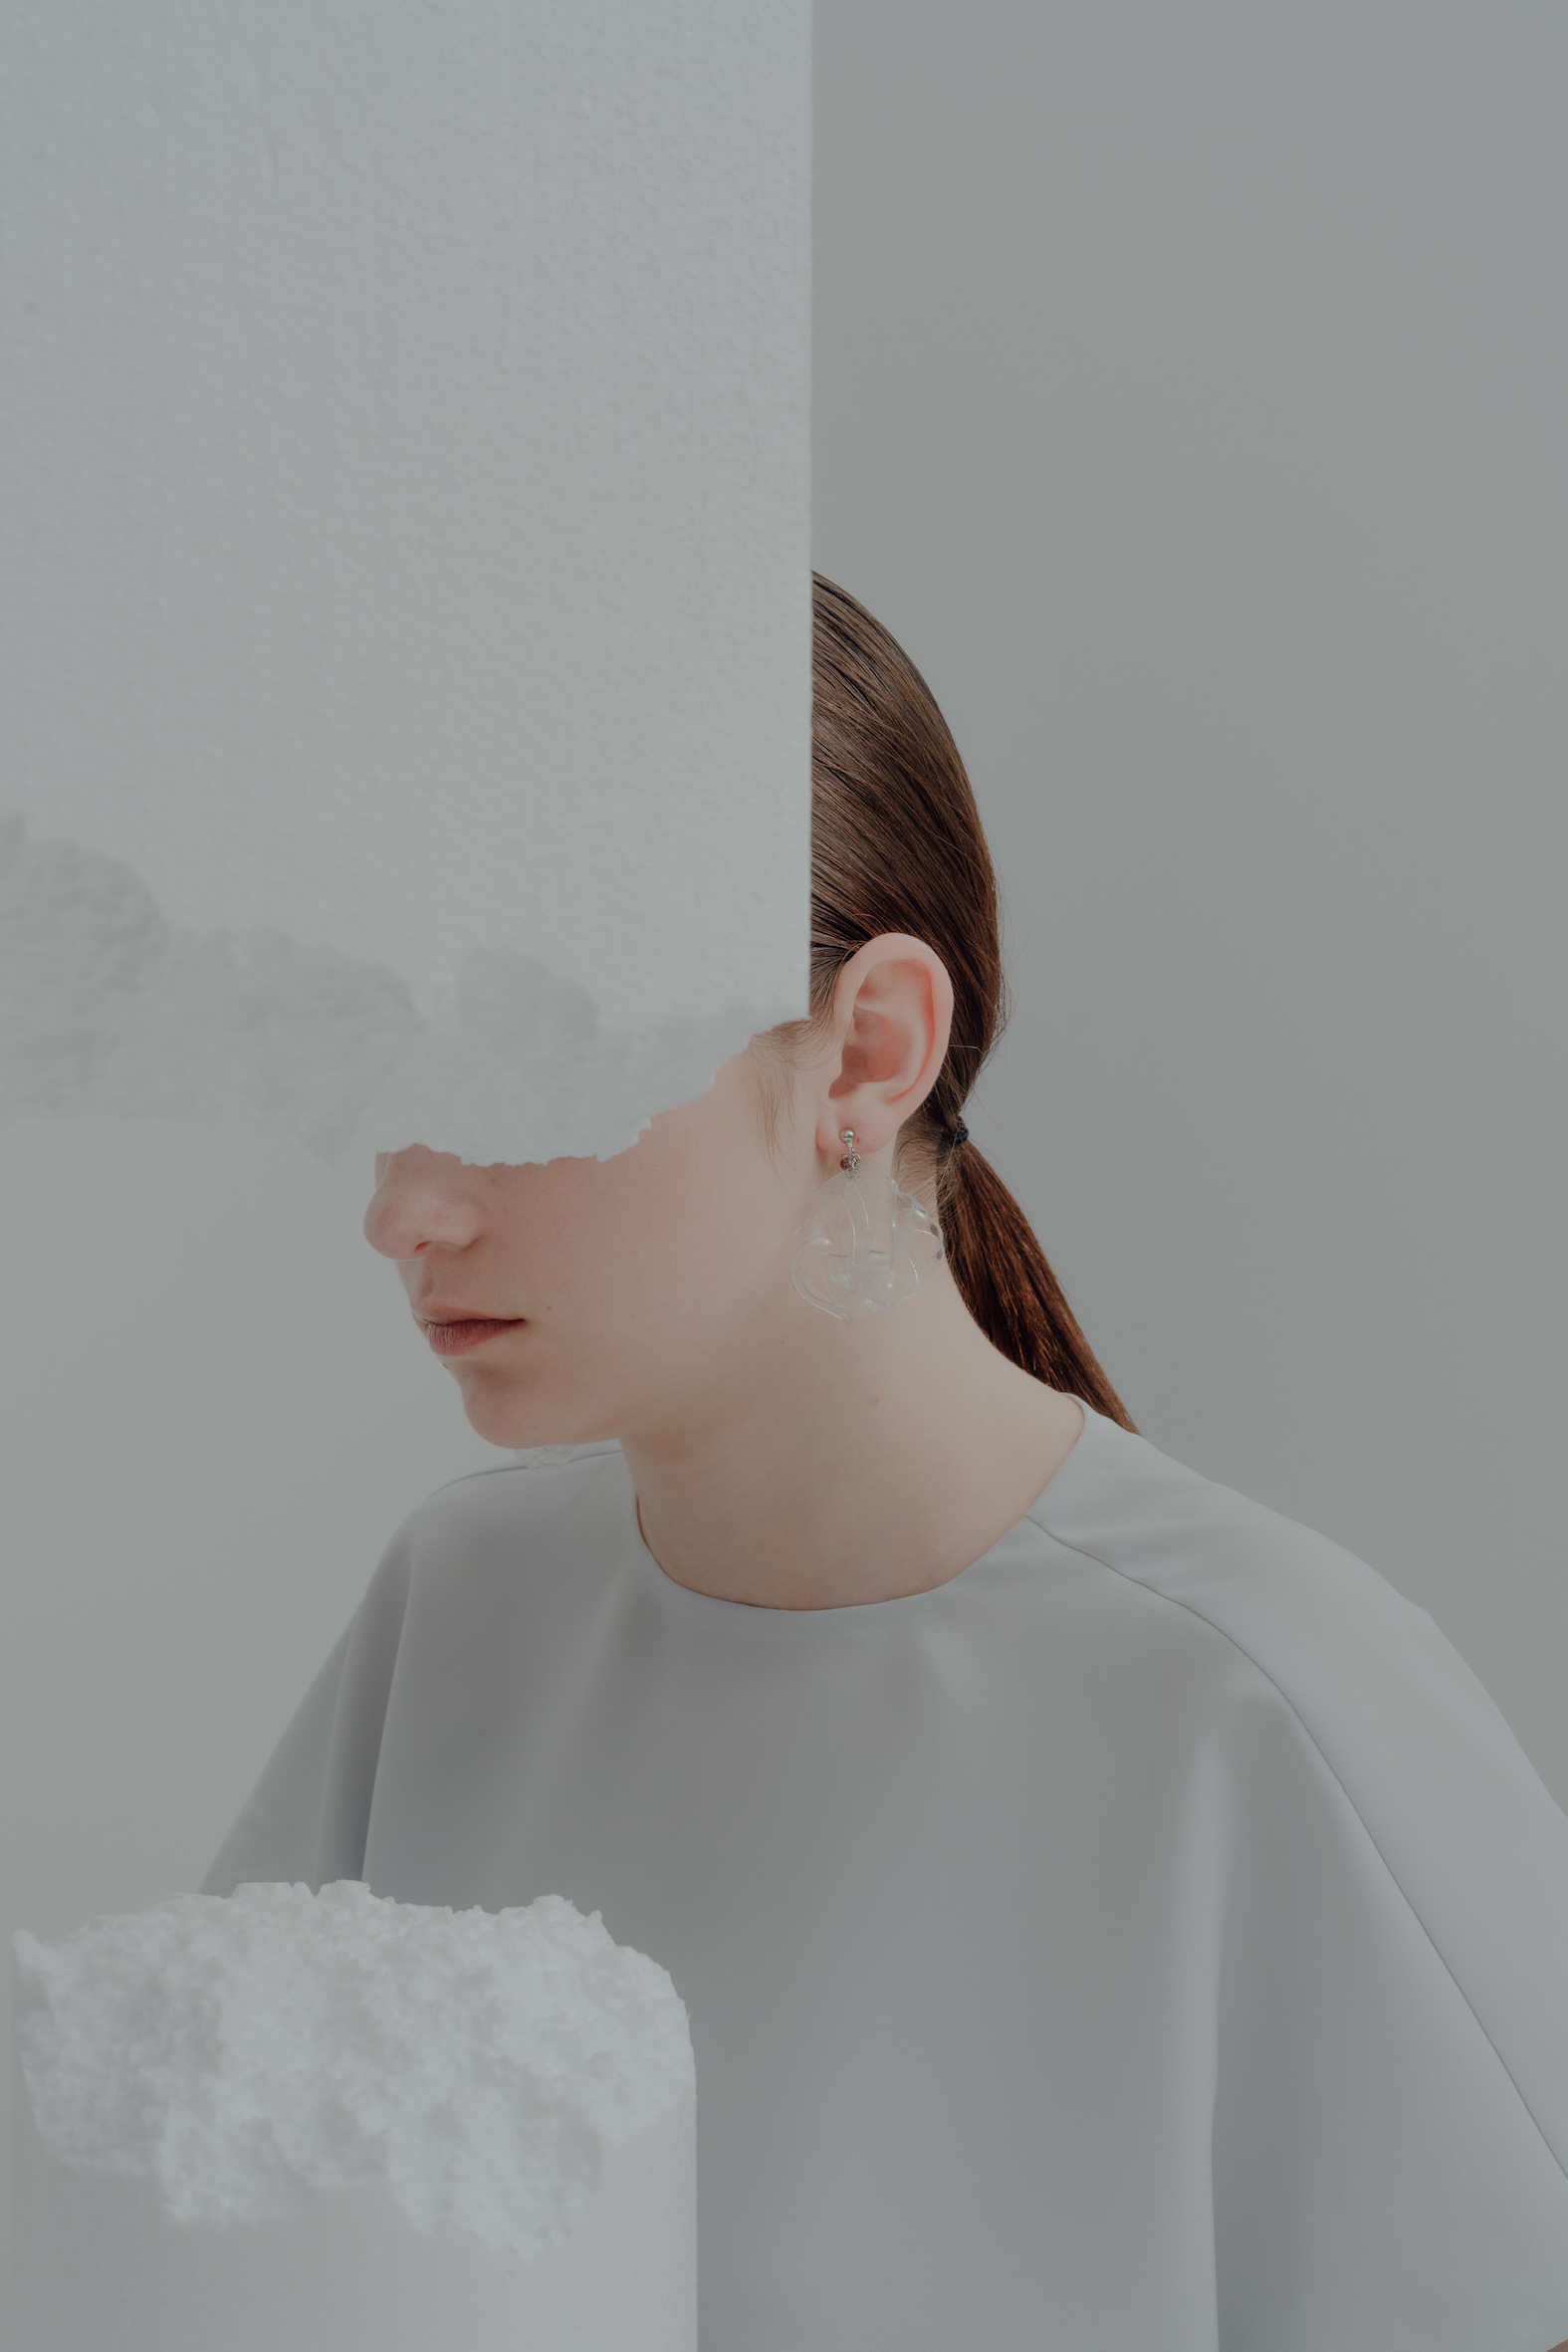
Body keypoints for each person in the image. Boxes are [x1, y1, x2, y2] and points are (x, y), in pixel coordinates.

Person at [206, 577, 1568, 2351]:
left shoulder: (1264, 1713)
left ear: (867, 1051)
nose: (402, 1209)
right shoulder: (456, 1614)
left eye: (507, 1063)